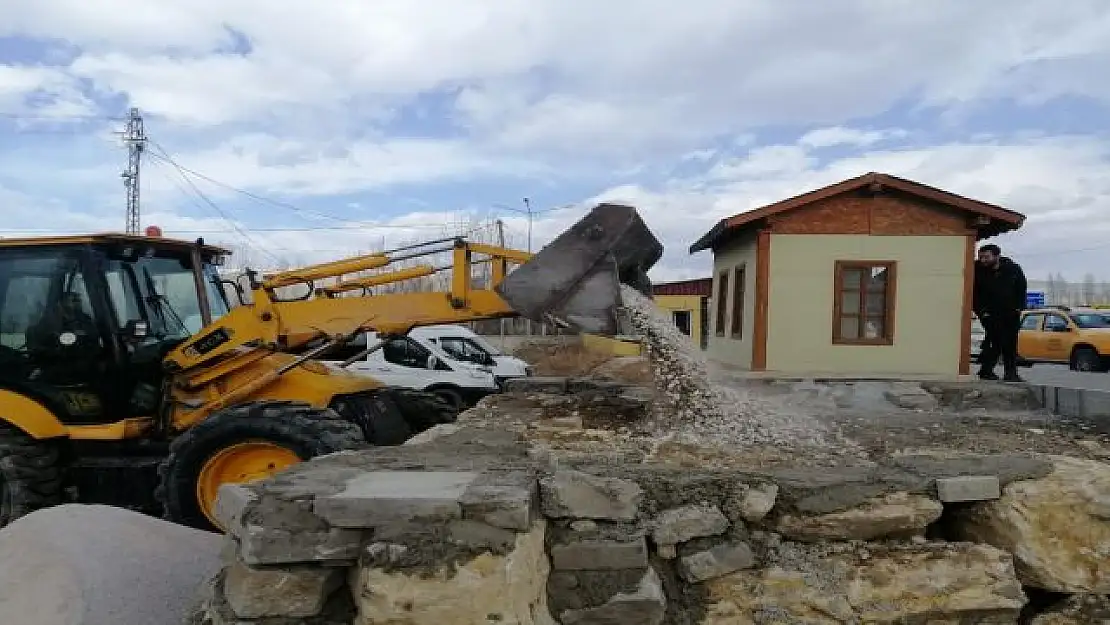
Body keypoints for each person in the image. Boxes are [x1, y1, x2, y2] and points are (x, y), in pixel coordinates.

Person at [973, 244, 1027, 382]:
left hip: (1010, 312)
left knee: (1009, 342)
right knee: (996, 339)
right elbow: (974, 294)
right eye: (981, 257)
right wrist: (982, 312)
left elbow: (1021, 289)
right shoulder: (977, 270)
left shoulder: (1013, 269)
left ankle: (1008, 373)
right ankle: (987, 370)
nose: (983, 260)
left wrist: (1019, 308)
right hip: (989, 313)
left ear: (997, 256)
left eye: (986, 257)